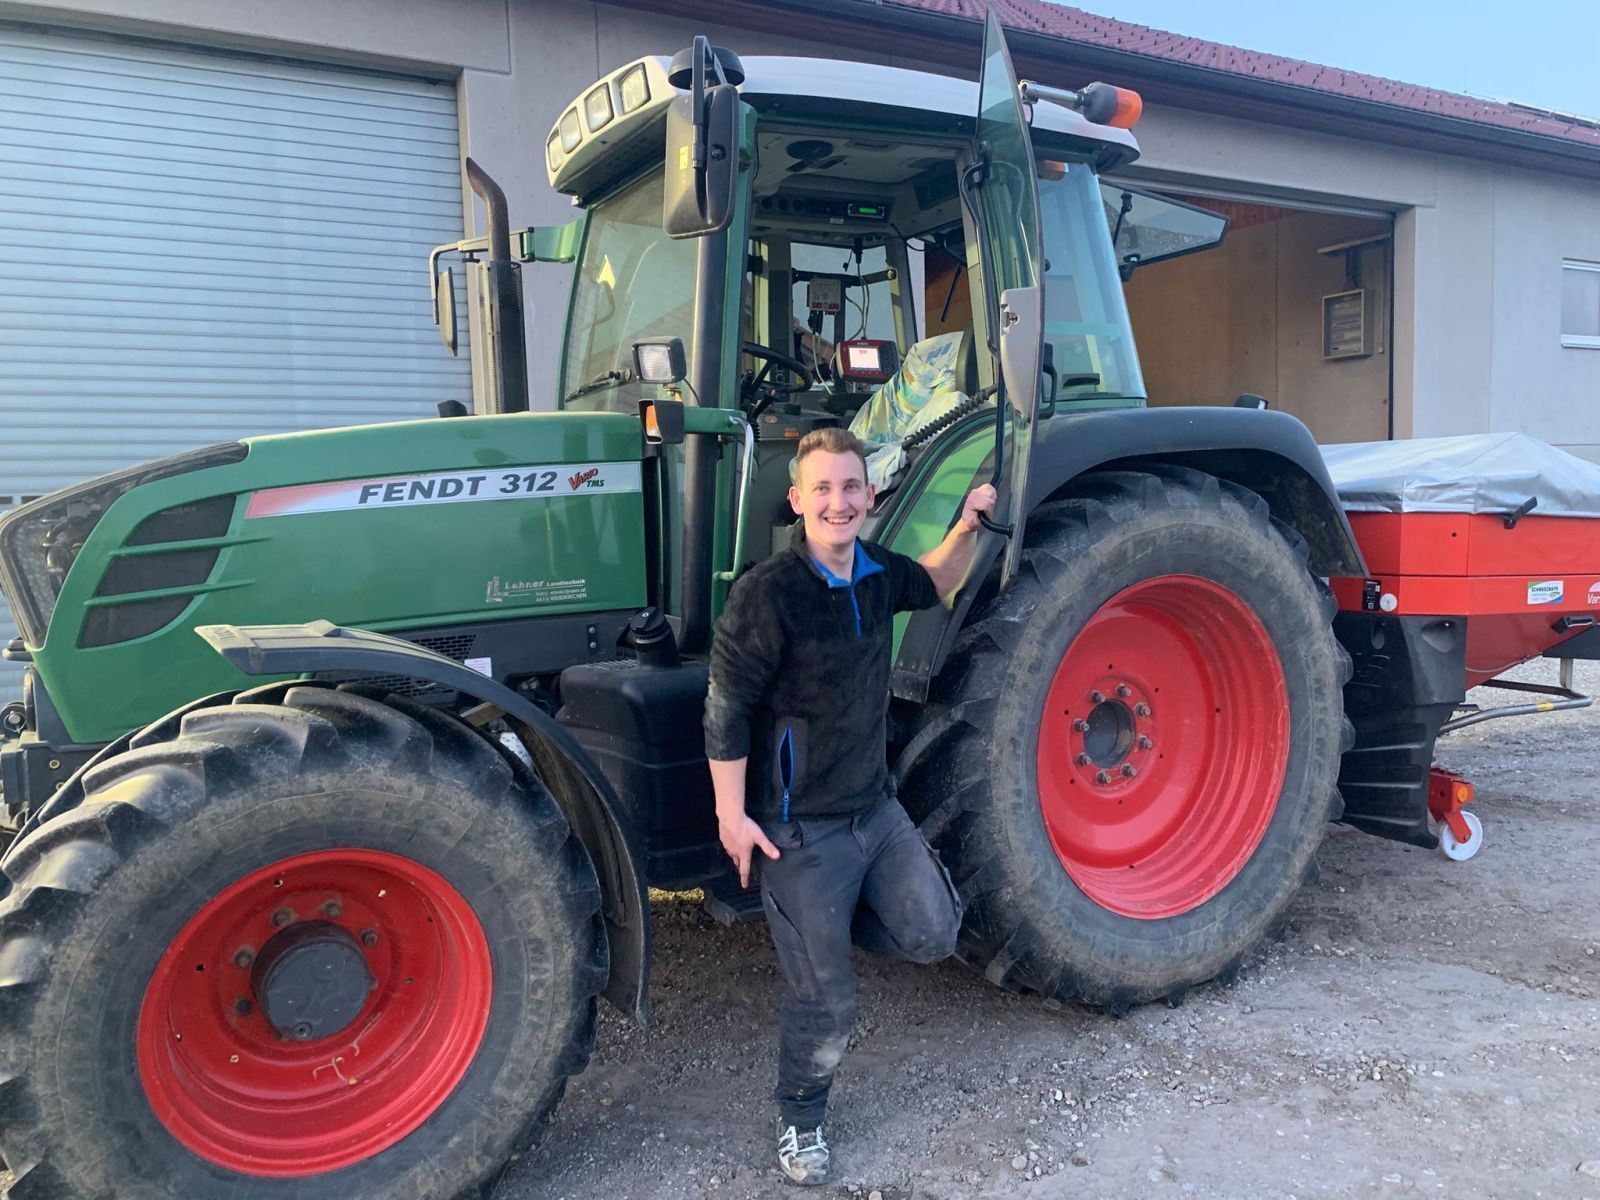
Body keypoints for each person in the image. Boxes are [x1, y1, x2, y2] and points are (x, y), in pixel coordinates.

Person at [703, 426, 997, 1186]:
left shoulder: (875, 573)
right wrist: (733, 818)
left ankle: (819, 930)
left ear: (871, 496)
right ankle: (801, 1119)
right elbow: (725, 710)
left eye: (851, 487)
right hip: (800, 831)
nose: (839, 502)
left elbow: (934, 580)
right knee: (826, 1003)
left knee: (936, 932)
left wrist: (966, 526)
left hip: (876, 812)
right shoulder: (768, 594)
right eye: (823, 489)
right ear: (799, 500)